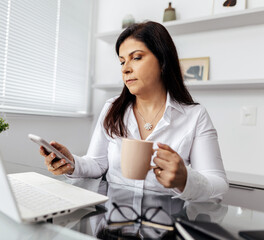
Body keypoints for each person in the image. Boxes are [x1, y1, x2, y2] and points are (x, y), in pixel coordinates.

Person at [39, 21, 228, 202]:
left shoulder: (195, 116)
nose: (126, 69)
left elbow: (218, 185)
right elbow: (97, 164)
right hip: (113, 221)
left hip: (167, 226)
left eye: (136, 58)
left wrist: (185, 179)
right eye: (122, 62)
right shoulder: (112, 108)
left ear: (163, 60)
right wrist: (71, 162)